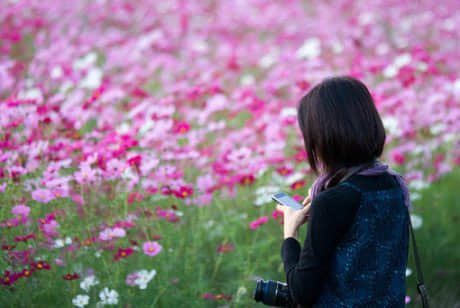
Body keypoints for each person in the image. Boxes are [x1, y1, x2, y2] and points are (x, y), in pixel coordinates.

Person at [276, 76, 410, 307]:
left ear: (324, 138)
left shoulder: (333, 201)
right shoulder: (395, 185)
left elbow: (301, 293)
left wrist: (290, 234)